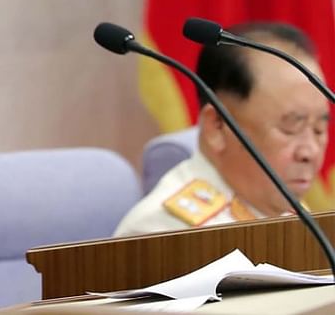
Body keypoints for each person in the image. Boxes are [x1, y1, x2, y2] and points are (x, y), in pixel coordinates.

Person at [114, 22, 330, 236]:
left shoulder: (288, 210)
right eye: (290, 128)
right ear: (217, 126)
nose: (309, 152)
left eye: (320, 129)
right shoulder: (165, 233)